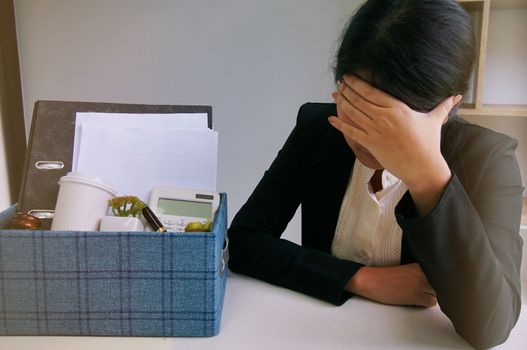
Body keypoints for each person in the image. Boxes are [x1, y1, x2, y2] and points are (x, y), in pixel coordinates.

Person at [227, 0, 524, 348]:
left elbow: (491, 326)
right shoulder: (318, 129)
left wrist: (428, 177)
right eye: (354, 106)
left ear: (447, 107)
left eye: (390, 121)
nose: (362, 134)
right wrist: (359, 279)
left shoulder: (487, 160)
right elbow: (245, 240)